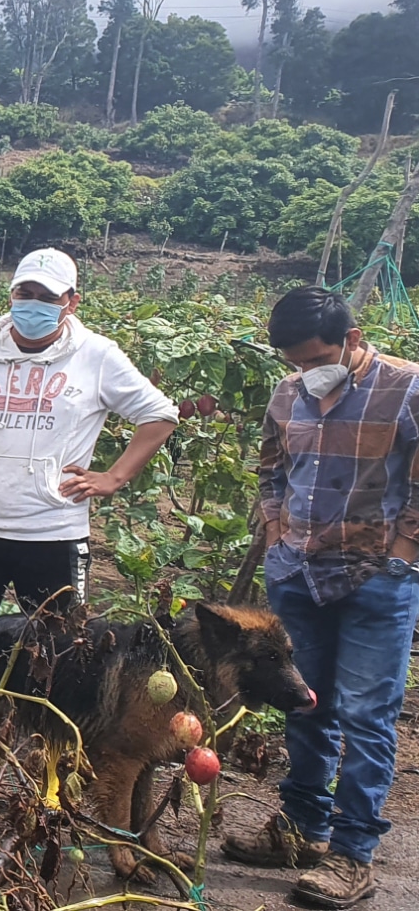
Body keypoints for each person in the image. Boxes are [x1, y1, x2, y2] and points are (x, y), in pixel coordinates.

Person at [222, 285, 419, 909]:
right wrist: (276, 527)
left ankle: (352, 854)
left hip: (375, 580)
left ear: (351, 341)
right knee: (303, 703)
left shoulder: (407, 389)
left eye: (314, 360)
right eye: (294, 363)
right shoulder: (288, 394)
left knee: (366, 716)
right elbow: (271, 467)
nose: (305, 373)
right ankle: (302, 829)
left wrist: (405, 553)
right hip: (299, 574)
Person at [0, 248, 176, 627]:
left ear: (72, 302)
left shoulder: (96, 356)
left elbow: (160, 415)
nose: (34, 305)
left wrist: (114, 477)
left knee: (58, 647)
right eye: (26, 294)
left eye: (48, 297)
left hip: (52, 531)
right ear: (12, 295)